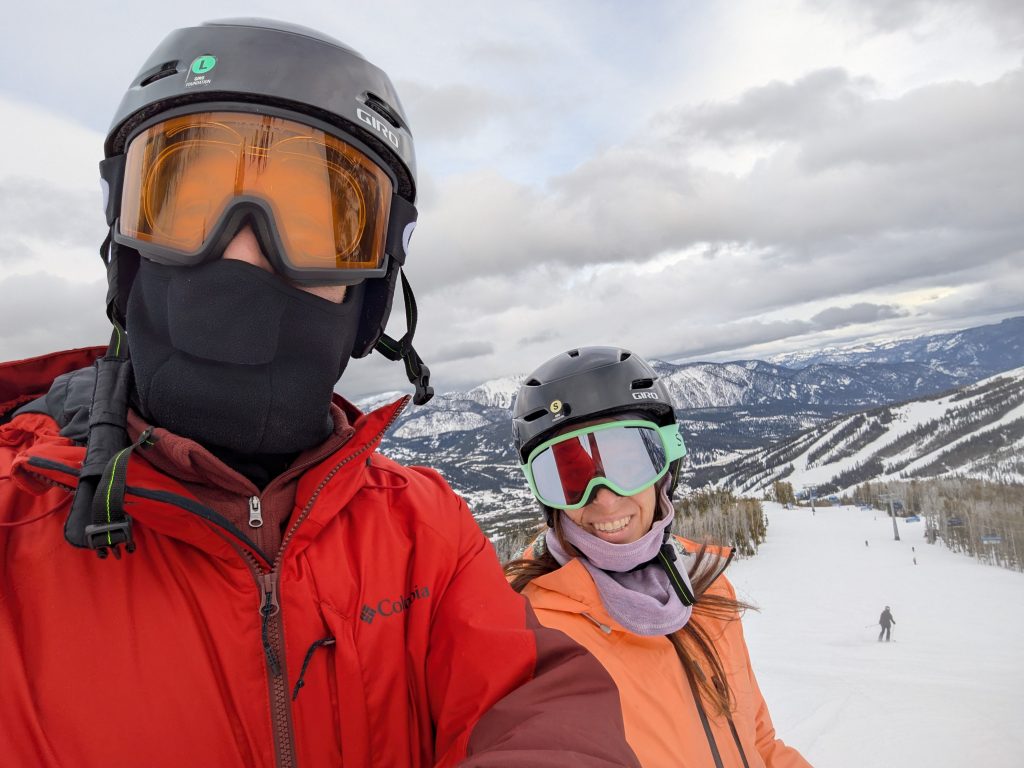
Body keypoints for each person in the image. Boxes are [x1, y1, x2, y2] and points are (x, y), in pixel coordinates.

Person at [0, 20, 642, 768]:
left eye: (311, 225)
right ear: (127, 246)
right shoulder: (16, 522)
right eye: (190, 206)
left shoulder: (422, 532)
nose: (244, 256)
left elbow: (533, 702)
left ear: (370, 291)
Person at [505, 347, 812, 767]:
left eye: (628, 464)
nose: (605, 499)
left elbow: (758, 741)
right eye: (570, 478)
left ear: (665, 470)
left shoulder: (705, 586)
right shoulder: (529, 633)